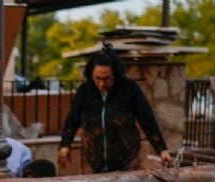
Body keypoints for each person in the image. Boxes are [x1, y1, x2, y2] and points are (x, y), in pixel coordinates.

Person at [58, 45, 172, 174]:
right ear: (91, 75)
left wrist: (161, 149)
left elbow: (147, 118)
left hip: (126, 159)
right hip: (92, 160)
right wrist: (65, 145)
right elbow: (72, 120)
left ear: (116, 74)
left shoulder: (129, 88)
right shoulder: (85, 91)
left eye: (107, 78)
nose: (101, 84)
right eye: (98, 78)